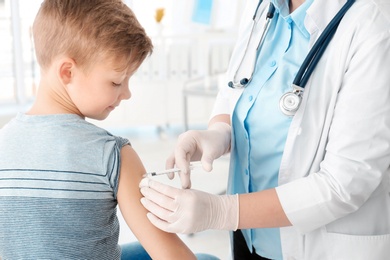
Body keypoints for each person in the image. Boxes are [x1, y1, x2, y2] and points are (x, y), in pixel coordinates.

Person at [139, 0, 390, 259]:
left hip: (315, 248)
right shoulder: (262, 7)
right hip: (247, 238)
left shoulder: (373, 24)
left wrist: (222, 211)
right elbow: (235, 90)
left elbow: (345, 184)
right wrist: (219, 133)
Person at [0, 1, 217, 259]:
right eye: (116, 81)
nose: (126, 93)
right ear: (67, 71)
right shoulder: (113, 153)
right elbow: (170, 254)